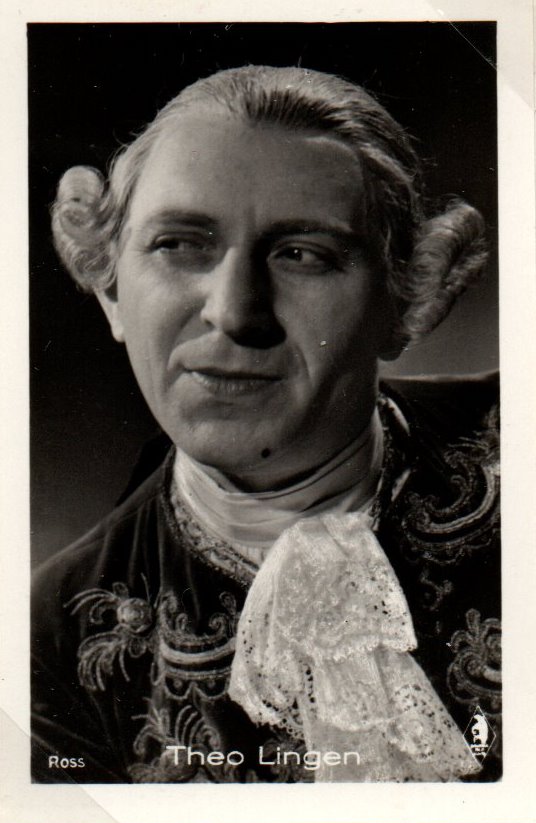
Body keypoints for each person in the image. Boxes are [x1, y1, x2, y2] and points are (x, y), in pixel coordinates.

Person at [31, 65, 501, 783]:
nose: (234, 311)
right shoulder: (48, 644)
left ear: (406, 301)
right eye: (179, 244)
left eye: (302, 255)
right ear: (112, 291)